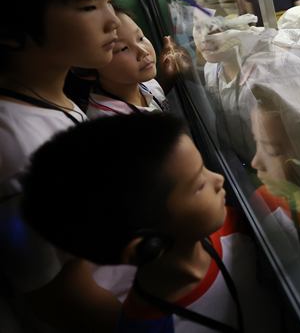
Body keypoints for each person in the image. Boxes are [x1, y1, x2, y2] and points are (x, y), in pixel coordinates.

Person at [22, 113, 272, 331]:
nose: (218, 179)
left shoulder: (237, 225)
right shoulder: (153, 328)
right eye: (199, 185)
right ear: (147, 245)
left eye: (204, 168)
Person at [0, 0, 124, 330]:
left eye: (109, 0)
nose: (113, 20)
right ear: (9, 28)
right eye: (89, 6)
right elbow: (60, 297)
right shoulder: (17, 148)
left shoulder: (50, 96)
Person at [87, 8, 168, 117]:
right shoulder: (108, 121)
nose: (143, 52)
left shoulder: (148, 84)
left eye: (140, 38)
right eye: (123, 48)